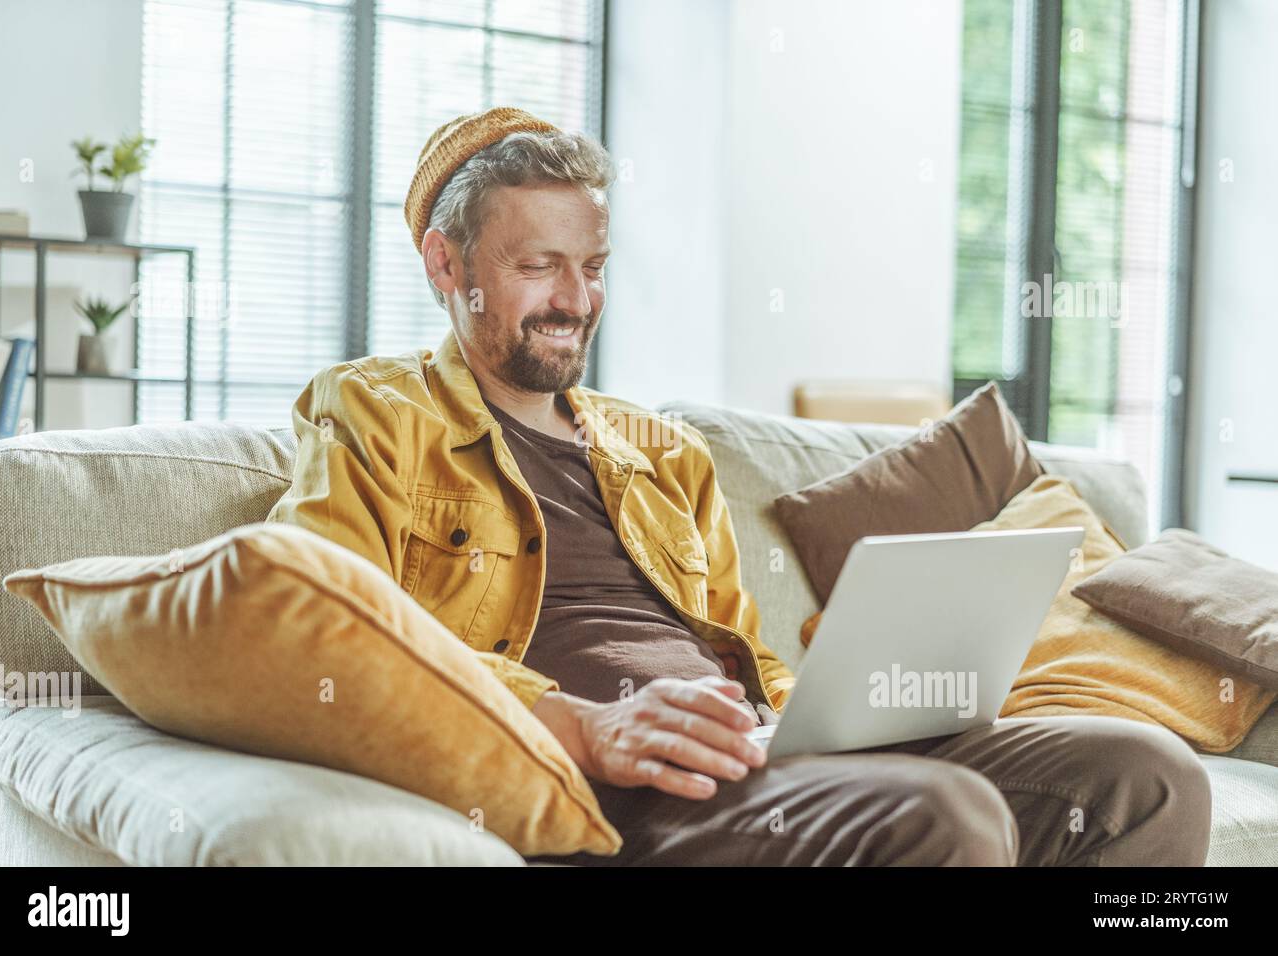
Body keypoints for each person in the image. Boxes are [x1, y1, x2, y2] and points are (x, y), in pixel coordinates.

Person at [267, 106, 1212, 866]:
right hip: (606, 789)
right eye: (538, 266)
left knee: (1148, 775)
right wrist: (590, 726)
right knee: (946, 815)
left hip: (753, 754)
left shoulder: (661, 451)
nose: (577, 300)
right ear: (446, 263)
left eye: (592, 267)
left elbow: (746, 654)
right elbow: (328, 628)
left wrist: (841, 718)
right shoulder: (374, 413)